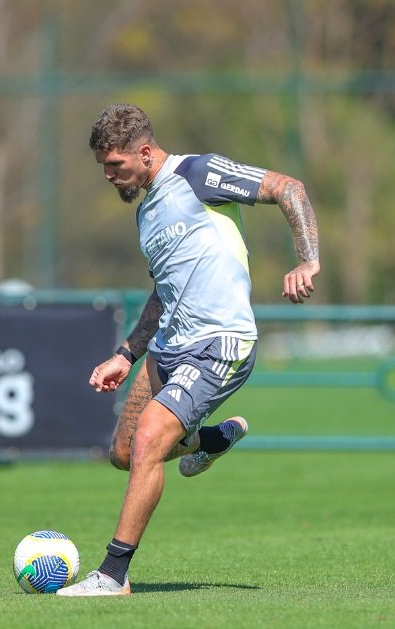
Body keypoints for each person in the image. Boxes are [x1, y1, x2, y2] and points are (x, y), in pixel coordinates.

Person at [56, 103, 320, 596]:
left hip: (221, 342)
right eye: (103, 168)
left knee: (150, 439)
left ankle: (113, 576)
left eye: (116, 166)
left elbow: (289, 188)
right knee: (122, 453)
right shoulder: (145, 214)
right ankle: (208, 441)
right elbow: (164, 293)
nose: (110, 176)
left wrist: (306, 260)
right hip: (167, 348)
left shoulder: (199, 174)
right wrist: (125, 354)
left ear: (146, 151)